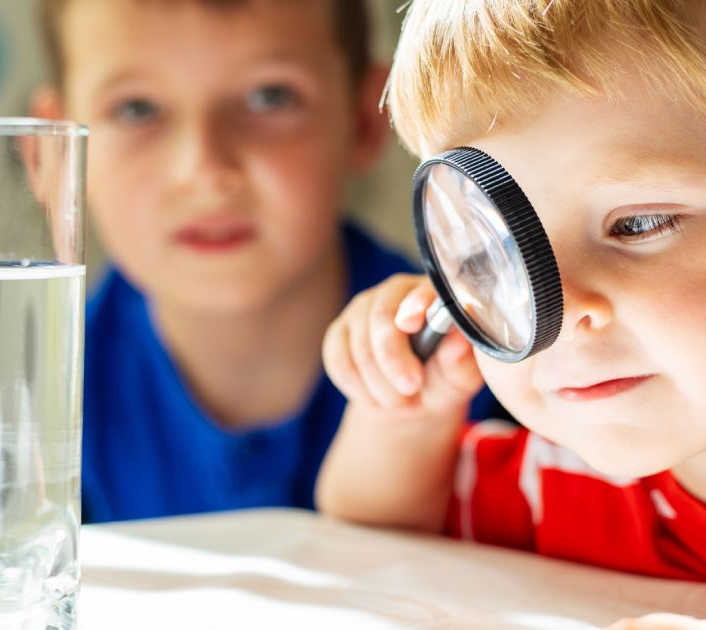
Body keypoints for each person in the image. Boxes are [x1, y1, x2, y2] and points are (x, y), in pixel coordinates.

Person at [317, 0, 706, 613]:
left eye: (638, 224)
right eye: (494, 255)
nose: (553, 310)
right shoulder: (568, 475)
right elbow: (372, 542)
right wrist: (403, 415)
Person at [31, 0, 500, 523]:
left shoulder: (508, 372)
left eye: (268, 97)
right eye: (137, 109)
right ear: (52, 154)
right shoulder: (30, 413)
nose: (204, 170)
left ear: (367, 119)